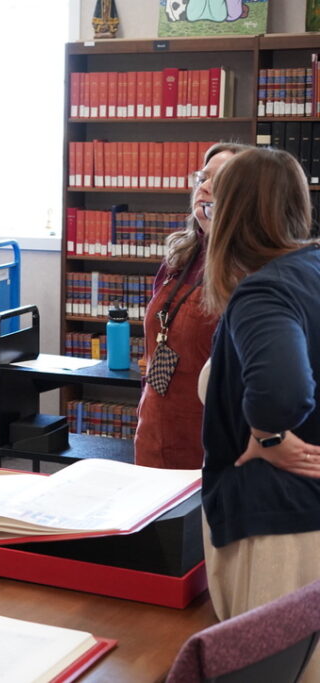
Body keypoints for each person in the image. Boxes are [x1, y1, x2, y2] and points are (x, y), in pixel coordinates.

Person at [199, 147, 320, 679]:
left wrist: (266, 435)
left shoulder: (263, 290)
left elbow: (281, 391)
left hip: (277, 527)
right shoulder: (311, 268)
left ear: (233, 213)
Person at [134, 142, 250, 469]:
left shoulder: (252, 267)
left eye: (221, 180)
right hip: (156, 421)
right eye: (203, 177)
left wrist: (220, 237)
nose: (206, 187)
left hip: (212, 433)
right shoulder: (181, 255)